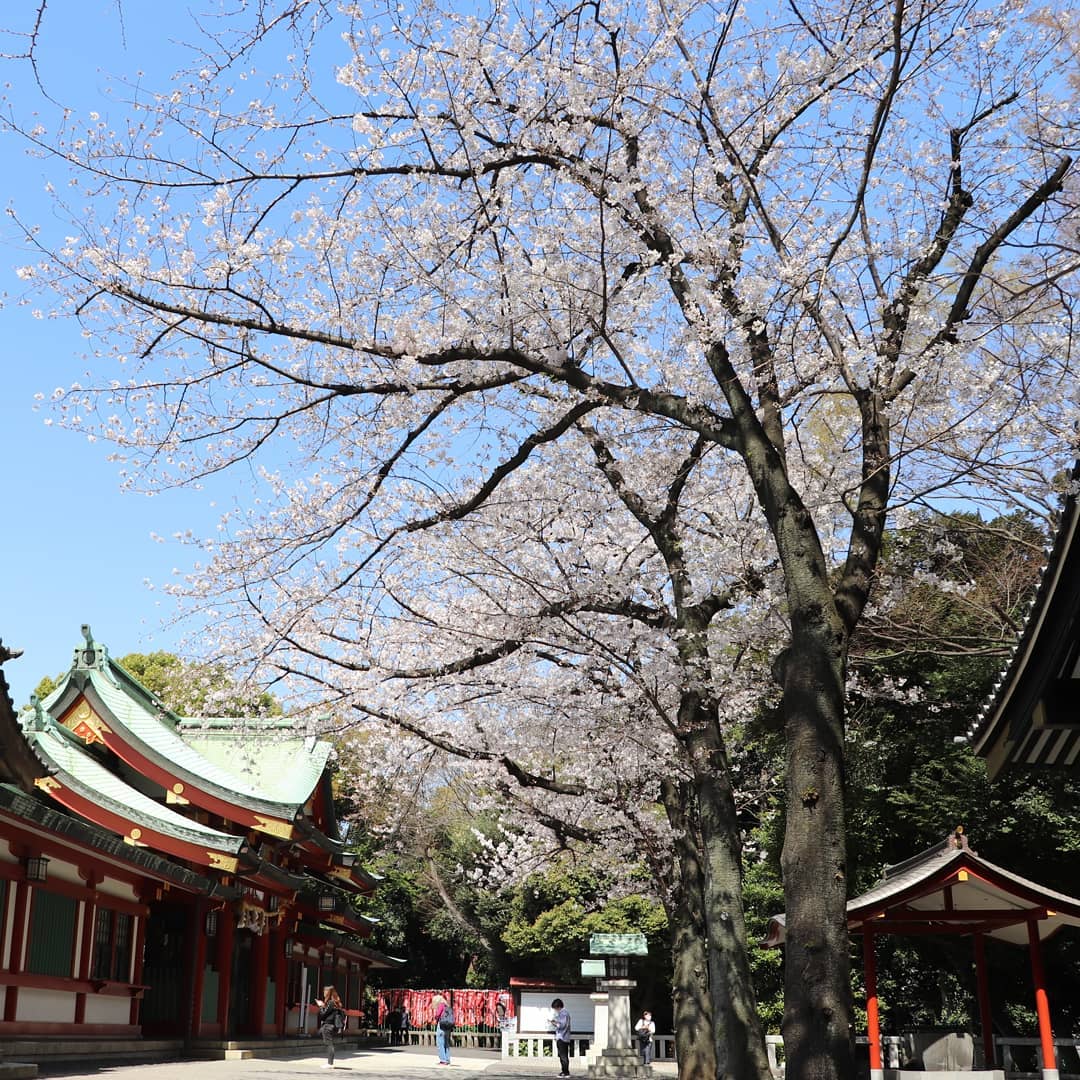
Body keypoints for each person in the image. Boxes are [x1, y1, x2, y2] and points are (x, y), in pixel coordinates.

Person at [314, 986, 345, 1069]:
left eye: (325, 991)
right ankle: (330, 1063)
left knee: (329, 1044)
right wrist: (324, 1006)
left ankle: (330, 1063)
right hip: (332, 1026)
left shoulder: (331, 1002)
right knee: (328, 1043)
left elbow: (323, 1015)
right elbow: (328, 1012)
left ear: (328, 993)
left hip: (328, 1026)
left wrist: (320, 1006)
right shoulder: (335, 1003)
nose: (324, 993)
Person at [551, 997, 572, 1077]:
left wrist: (555, 1023)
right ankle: (565, 1071)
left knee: (563, 1055)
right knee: (563, 1055)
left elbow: (562, 1025)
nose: (555, 1010)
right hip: (564, 1037)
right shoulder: (565, 1013)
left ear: (558, 1007)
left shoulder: (563, 1013)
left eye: (555, 1008)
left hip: (562, 1037)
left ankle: (565, 1072)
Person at [433, 992, 453, 1065]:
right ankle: (447, 1059)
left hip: (441, 1025)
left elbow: (438, 1014)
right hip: (448, 1026)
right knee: (446, 1043)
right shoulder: (447, 1006)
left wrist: (435, 1018)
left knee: (440, 1043)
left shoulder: (441, 1005)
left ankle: (442, 1060)